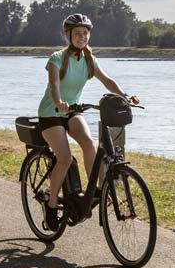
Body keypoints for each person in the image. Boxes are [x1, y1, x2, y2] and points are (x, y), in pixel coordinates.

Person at [37, 13, 137, 230]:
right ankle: (52, 203)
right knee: (64, 158)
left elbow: (107, 80)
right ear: (68, 35)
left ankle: (94, 191)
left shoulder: (90, 60)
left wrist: (125, 96)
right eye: (77, 34)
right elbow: (54, 86)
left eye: (85, 33)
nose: (82, 37)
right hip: (51, 113)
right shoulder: (57, 59)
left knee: (89, 144)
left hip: (73, 111)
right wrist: (58, 101)